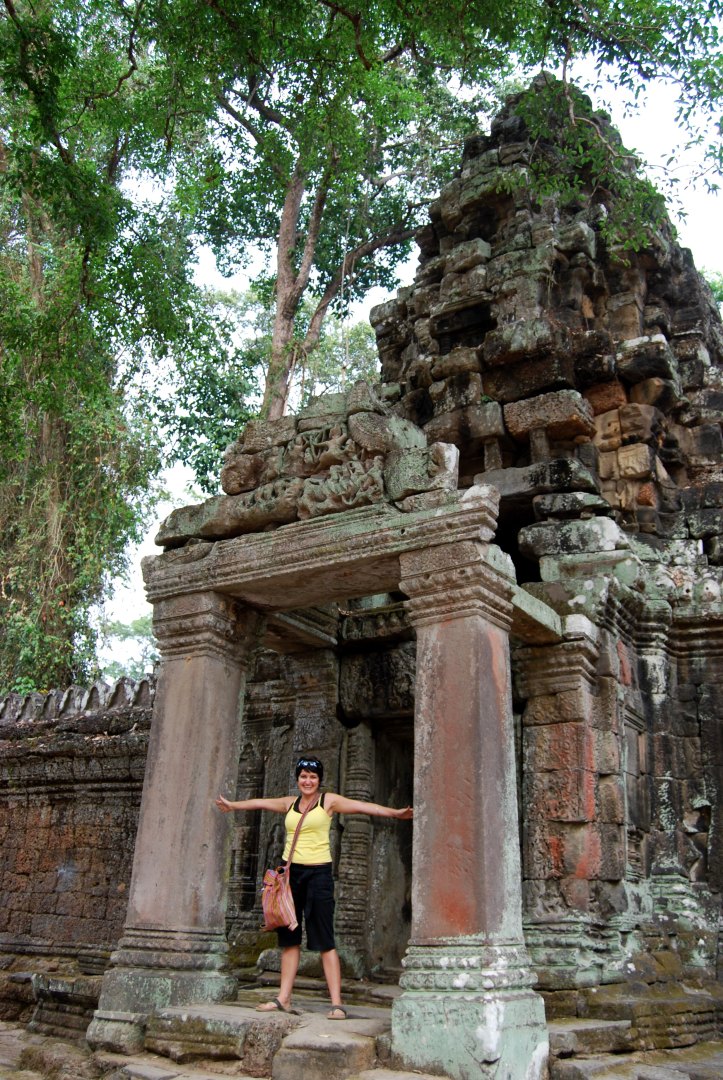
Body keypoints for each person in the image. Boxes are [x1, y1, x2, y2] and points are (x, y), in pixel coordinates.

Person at [215, 755, 413, 1019]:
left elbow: (364, 806)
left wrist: (395, 813)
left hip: (319, 874)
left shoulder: (328, 801)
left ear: (319, 780)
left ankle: (337, 1003)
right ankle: (283, 998)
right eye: (303, 776)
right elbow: (260, 802)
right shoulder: (289, 803)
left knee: (325, 940)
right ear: (298, 779)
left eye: (312, 777)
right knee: (289, 939)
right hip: (290, 875)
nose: (307, 781)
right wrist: (233, 805)